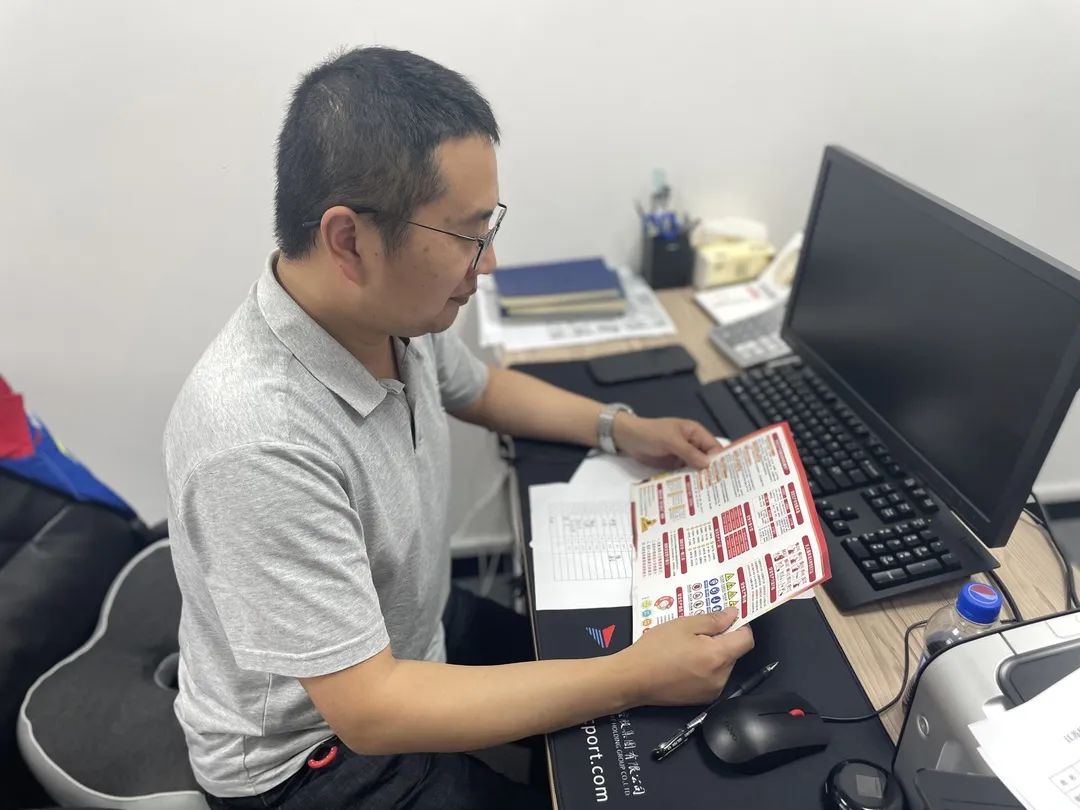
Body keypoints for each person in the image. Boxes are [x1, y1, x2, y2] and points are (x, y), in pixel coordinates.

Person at [163, 46, 753, 809]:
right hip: (316, 754)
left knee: (631, 677)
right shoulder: (255, 439)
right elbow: (373, 711)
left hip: (411, 631)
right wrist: (633, 676)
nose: (489, 263)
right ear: (349, 241)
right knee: (625, 721)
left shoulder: (386, 315)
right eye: (469, 235)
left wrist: (619, 427)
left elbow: (481, 388)